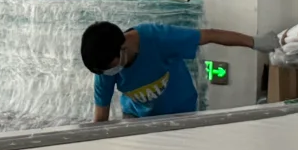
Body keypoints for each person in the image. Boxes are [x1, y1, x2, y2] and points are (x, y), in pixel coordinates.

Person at [81, 21, 259, 121]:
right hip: (137, 118)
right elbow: (101, 117)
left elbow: (210, 35)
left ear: (122, 49)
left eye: (111, 67)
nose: (110, 72)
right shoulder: (105, 69)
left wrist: (255, 42)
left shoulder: (158, 38)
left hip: (181, 112)